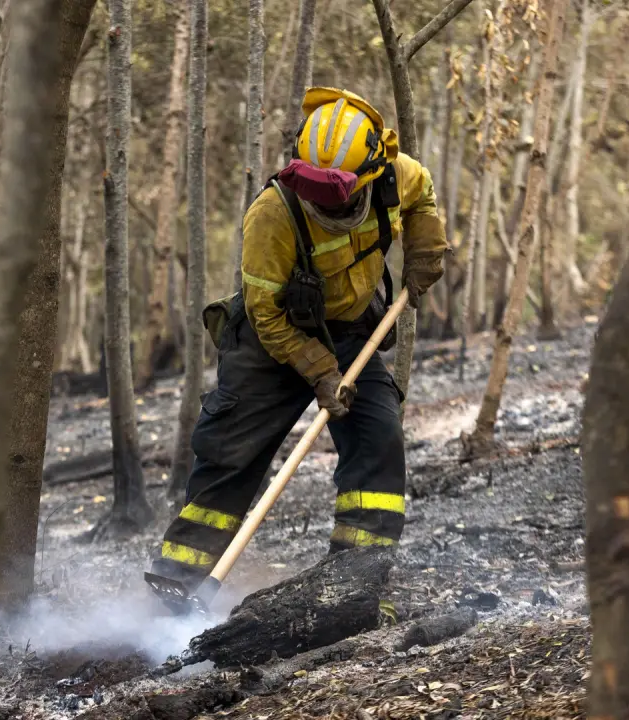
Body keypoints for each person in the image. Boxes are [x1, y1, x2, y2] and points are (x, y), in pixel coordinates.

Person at [148, 87, 447, 592]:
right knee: (229, 456)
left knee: (379, 440)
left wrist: (425, 250)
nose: (321, 203)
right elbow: (265, 313)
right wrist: (320, 371)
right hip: (272, 344)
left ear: (371, 171)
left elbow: (423, 198)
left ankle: (354, 583)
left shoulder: (397, 174)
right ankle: (180, 583)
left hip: (351, 331)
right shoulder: (272, 215)